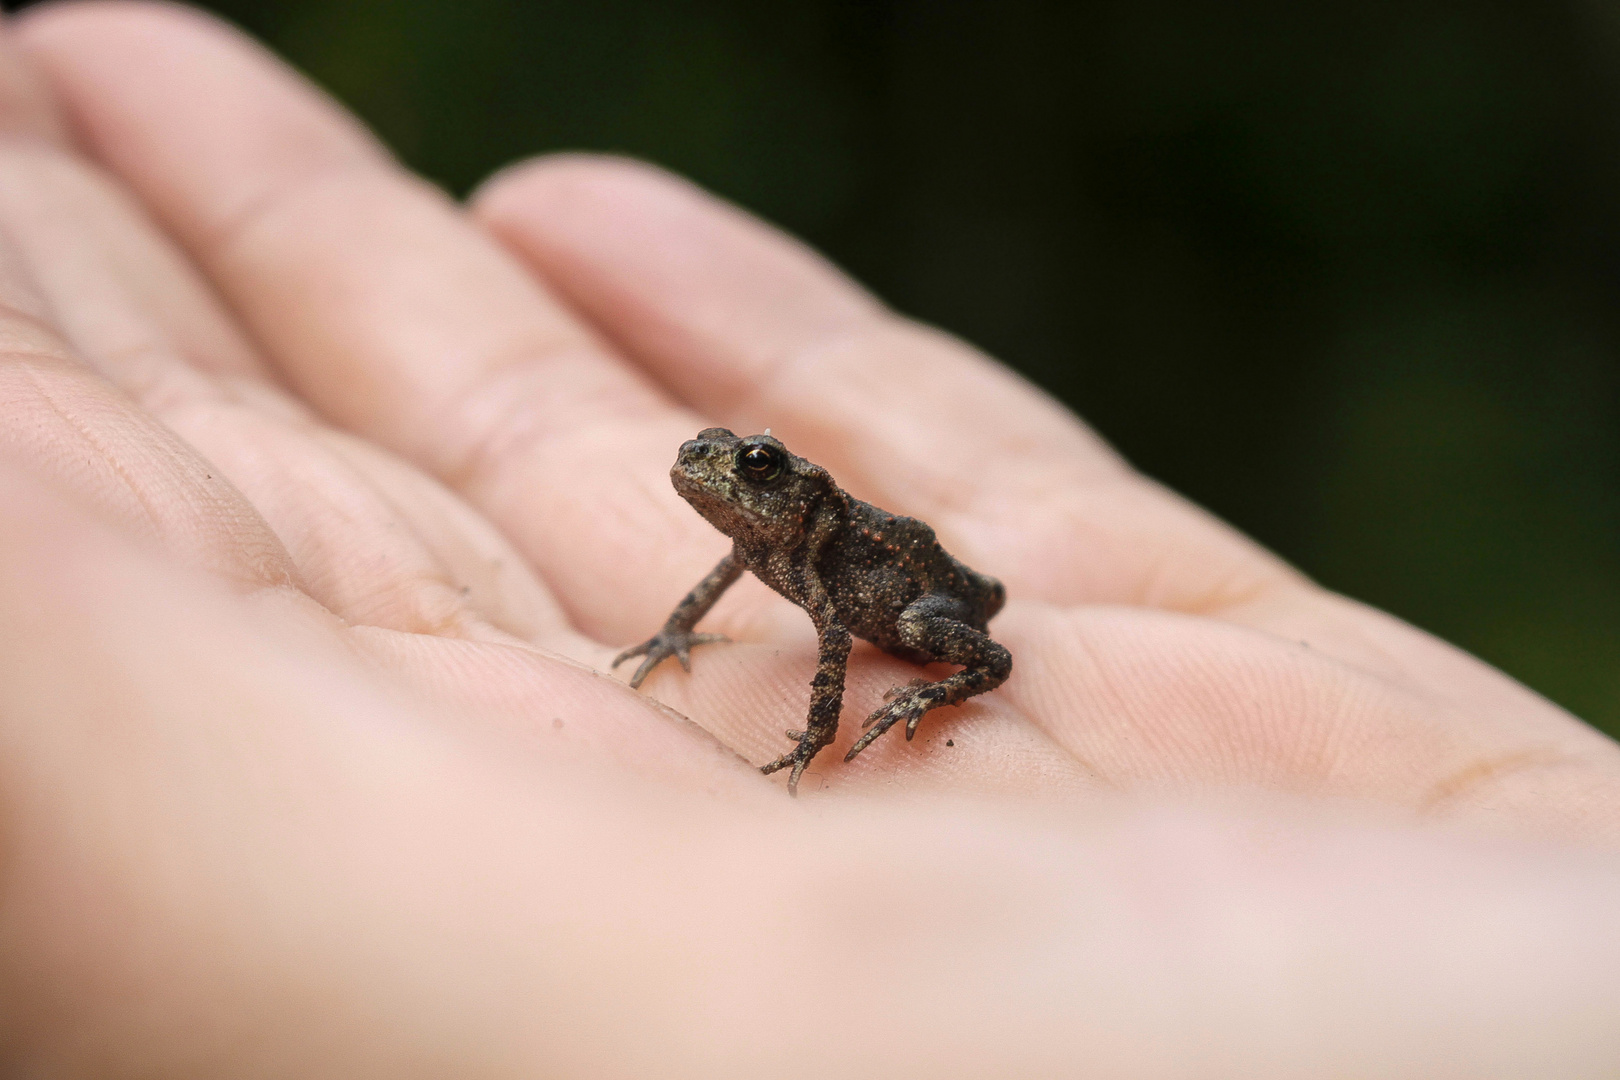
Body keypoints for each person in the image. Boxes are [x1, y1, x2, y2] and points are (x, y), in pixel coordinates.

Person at [0, 3, 1616, 1075]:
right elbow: (735, 576)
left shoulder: (835, 552)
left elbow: (842, 636)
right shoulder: (760, 544)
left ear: (791, 487)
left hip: (928, 583)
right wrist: (680, 626)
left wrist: (867, 719)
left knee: (949, 643)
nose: (722, 487)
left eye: (745, 467)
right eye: (714, 468)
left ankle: (941, 702)